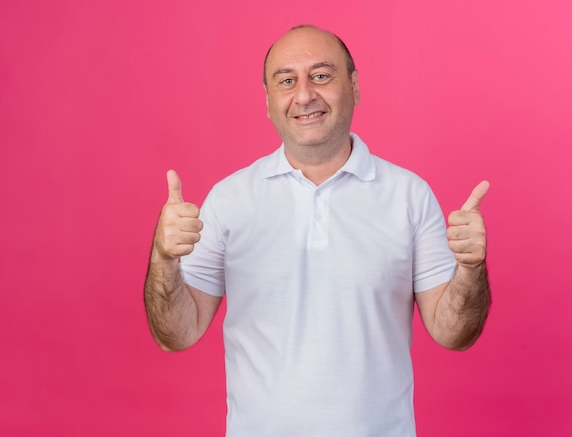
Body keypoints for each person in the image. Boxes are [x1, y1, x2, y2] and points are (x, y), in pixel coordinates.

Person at [144, 25, 491, 437]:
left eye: (321, 75)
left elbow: (455, 335)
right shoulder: (230, 199)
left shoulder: (409, 196)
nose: (304, 94)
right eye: (286, 80)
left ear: (355, 86)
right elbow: (176, 336)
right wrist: (163, 259)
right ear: (269, 102)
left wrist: (471, 268)